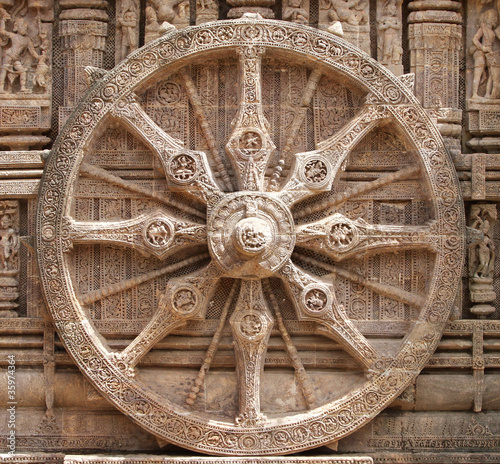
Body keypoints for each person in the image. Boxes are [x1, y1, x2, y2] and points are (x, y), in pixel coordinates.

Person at [0, 18, 40, 94]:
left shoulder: (27, 40)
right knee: (4, 70)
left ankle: (22, 87)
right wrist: (2, 21)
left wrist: (39, 57)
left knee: (22, 71)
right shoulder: (13, 36)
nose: (24, 28)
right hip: (8, 55)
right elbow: (2, 31)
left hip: (16, 59)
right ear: (16, 27)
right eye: (22, 26)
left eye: (25, 27)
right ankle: (1, 88)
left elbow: (32, 51)